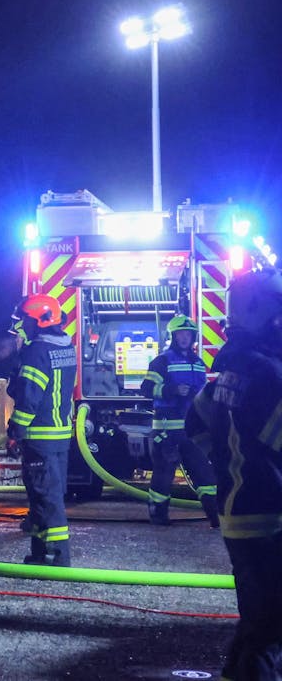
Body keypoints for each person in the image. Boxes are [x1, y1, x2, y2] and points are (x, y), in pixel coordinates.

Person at [186, 267, 282, 681]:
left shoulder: (232, 370)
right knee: (270, 629)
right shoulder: (269, 375)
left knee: (258, 618)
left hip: (238, 514)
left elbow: (196, 425)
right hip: (271, 517)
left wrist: (225, 469)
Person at [8, 293, 77, 566]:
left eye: (24, 320)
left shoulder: (36, 351)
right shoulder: (64, 346)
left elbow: (29, 397)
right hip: (60, 435)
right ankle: (40, 552)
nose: (20, 326)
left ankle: (59, 556)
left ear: (38, 320)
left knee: (46, 498)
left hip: (39, 436)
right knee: (44, 496)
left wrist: (16, 432)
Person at [139, 314, 218, 526]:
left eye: (188, 334)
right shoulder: (162, 361)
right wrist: (171, 390)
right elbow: (146, 389)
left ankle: (216, 518)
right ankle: (158, 516)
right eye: (181, 334)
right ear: (173, 336)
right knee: (164, 476)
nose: (185, 338)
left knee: (205, 474)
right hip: (167, 431)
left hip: (192, 431)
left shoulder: (199, 363)